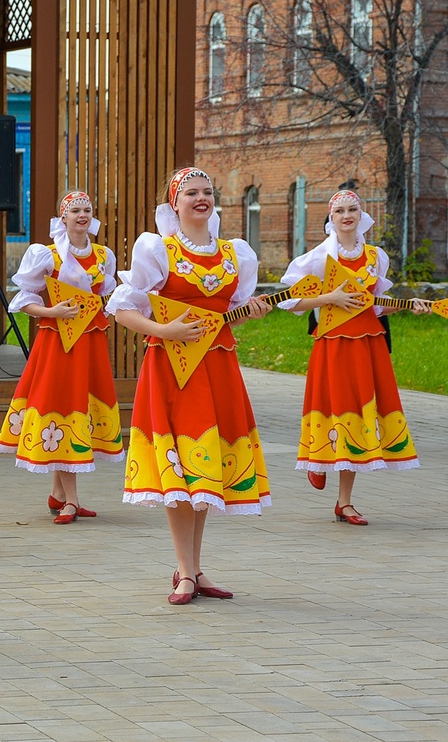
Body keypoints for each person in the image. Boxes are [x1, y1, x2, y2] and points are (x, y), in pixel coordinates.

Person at [107, 167, 272, 605]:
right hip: (172, 371)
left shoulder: (235, 253)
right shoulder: (158, 249)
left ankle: (195, 570)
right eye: (192, 193)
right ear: (174, 203)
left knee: (204, 472)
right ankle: (182, 571)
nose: (202, 198)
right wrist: (164, 332)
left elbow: (232, 310)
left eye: (208, 192)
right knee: (180, 468)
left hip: (218, 369)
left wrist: (252, 310)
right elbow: (121, 308)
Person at [279, 189, 428, 526]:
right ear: (330, 220)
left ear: (361, 215)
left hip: (368, 344)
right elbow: (288, 300)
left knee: (358, 414)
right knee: (333, 406)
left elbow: (375, 303)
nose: (347, 216)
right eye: (339, 211)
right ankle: (318, 461)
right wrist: (327, 296)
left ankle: (344, 502)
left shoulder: (376, 256)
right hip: (333, 344)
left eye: (352, 210)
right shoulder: (318, 258)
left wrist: (412, 306)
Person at [0, 191, 124, 524]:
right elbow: (23, 300)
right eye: (75, 210)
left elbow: (102, 296)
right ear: (63, 217)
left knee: (79, 405)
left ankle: (59, 494)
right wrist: (50, 310)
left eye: (87, 210)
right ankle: (71, 501)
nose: (82, 215)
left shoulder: (103, 255)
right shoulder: (47, 255)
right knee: (64, 405)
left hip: (90, 341)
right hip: (58, 343)